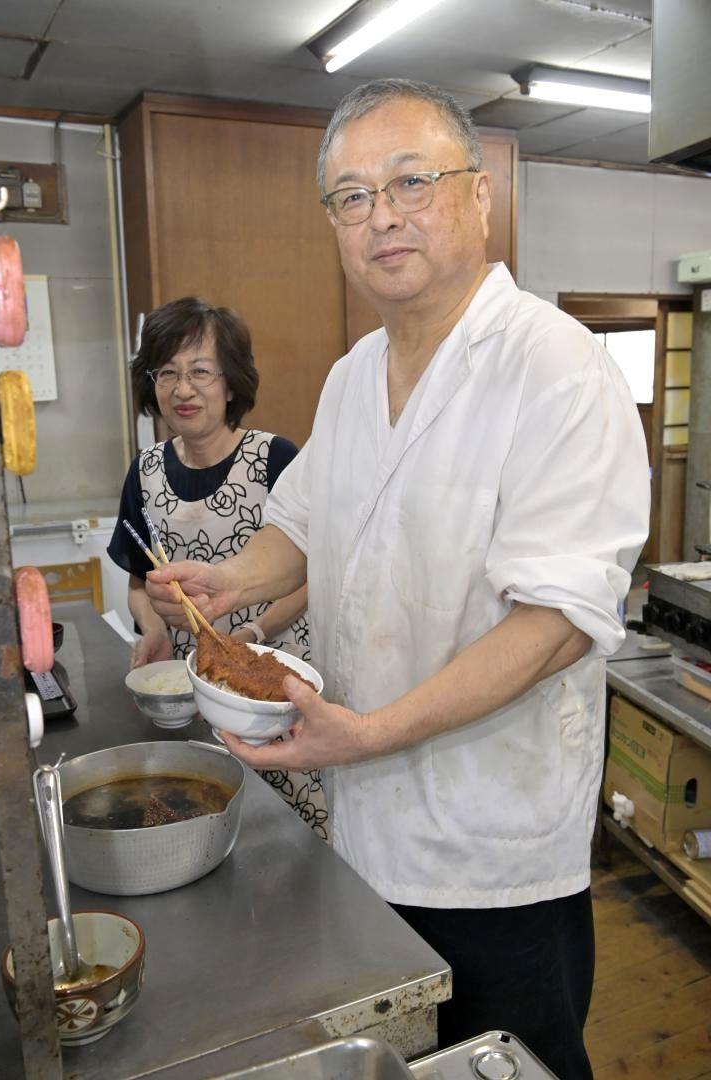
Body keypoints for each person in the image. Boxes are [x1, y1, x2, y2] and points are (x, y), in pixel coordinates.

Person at [144, 81, 650, 1077]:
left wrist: (367, 733)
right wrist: (223, 584)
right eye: (351, 196)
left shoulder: (557, 368)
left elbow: (556, 623)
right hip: (367, 824)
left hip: (493, 846)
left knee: (512, 1060)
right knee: (404, 1056)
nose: (382, 215)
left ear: (478, 198)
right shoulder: (352, 372)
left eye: (411, 181)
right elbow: (303, 526)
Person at [107, 296, 327, 838]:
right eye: (167, 373)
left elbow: (319, 572)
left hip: (275, 689)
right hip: (190, 694)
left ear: (231, 383)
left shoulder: (276, 459)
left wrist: (251, 633)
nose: (183, 389)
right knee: (207, 820)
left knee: (293, 834)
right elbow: (140, 582)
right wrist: (155, 627)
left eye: (200, 372)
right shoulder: (145, 472)